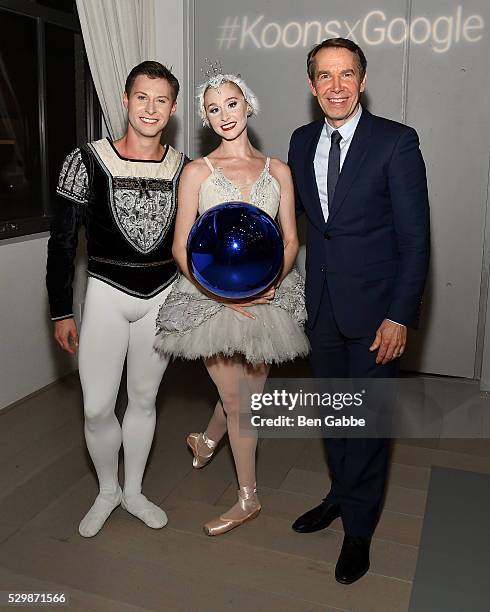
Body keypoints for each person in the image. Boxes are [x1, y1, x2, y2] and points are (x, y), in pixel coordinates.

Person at [288, 38, 430, 584]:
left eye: (347, 74)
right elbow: (293, 218)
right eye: (325, 76)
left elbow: (416, 241)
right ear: (311, 85)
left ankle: (360, 530)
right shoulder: (301, 142)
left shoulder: (396, 142)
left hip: (376, 314)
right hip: (320, 307)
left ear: (362, 80)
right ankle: (341, 496)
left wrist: (400, 315)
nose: (336, 86)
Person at [154, 70, 308, 536]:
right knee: (239, 402)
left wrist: (267, 286)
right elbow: (181, 247)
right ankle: (248, 499)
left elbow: (290, 239)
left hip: (268, 296)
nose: (224, 114)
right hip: (209, 299)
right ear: (204, 117)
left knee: (246, 401)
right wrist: (221, 294)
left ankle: (205, 441)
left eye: (232, 103)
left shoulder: (278, 170)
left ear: (248, 106)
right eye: (214, 108)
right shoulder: (197, 172)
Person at [46, 61, 187, 537]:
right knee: (96, 407)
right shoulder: (84, 160)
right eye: (142, 97)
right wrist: (62, 309)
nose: (151, 108)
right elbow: (62, 243)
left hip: (161, 299)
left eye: (161, 100)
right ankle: (107, 489)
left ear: (172, 109)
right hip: (105, 294)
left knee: (145, 400)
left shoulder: (184, 167)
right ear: (125, 100)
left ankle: (134, 491)